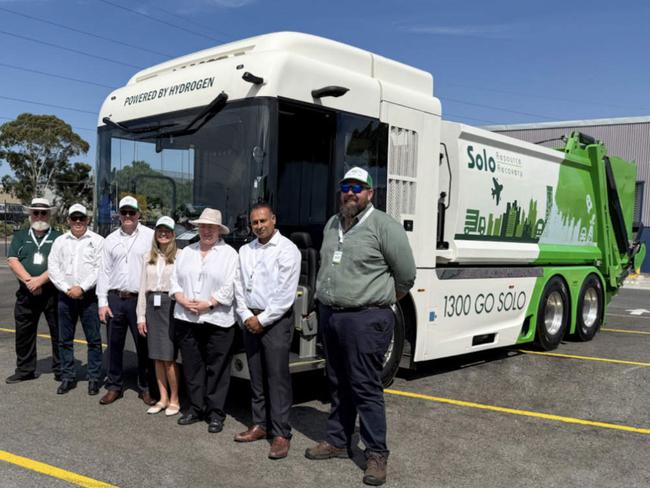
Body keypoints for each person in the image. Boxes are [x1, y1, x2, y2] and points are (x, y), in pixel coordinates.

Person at [305, 167, 416, 486]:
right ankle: (338, 441)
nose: (350, 192)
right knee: (338, 382)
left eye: (358, 187)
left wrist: (378, 301)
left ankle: (377, 454)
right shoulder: (332, 223)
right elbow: (327, 265)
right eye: (346, 186)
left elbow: (406, 274)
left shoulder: (384, 226)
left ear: (370, 193)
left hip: (367, 318)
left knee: (365, 385)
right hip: (332, 315)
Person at [234, 203, 301, 459]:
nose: (259, 226)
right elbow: (238, 285)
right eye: (254, 223)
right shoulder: (245, 250)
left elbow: (285, 295)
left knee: (277, 378)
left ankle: (281, 433)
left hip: (274, 321)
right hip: (250, 317)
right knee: (257, 376)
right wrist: (244, 314)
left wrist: (261, 319)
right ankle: (260, 425)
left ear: (273, 219)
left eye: (263, 221)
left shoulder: (287, 250)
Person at [170, 208, 238, 434]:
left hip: (217, 319)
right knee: (192, 366)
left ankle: (215, 413)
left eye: (211, 227)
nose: (207, 231)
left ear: (219, 230)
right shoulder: (186, 252)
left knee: (217, 368)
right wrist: (181, 299)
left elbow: (231, 286)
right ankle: (196, 408)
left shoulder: (230, 255)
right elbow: (175, 281)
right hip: (186, 317)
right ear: (198, 228)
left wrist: (209, 303)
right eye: (203, 226)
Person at [96, 195, 156, 406]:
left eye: (132, 212)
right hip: (115, 298)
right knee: (114, 345)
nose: (128, 216)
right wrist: (102, 302)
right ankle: (114, 386)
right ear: (118, 215)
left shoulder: (150, 236)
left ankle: (145, 387)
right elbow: (103, 272)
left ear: (139, 214)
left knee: (143, 345)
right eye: (124, 213)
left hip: (139, 299)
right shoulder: (110, 239)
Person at [48, 204, 104, 395]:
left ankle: (94, 378)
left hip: (89, 296)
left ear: (87, 219)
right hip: (65, 296)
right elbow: (53, 267)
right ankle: (68, 377)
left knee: (94, 340)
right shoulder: (60, 241)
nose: (78, 221)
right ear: (69, 220)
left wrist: (82, 287)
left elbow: (99, 269)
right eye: (74, 218)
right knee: (64, 340)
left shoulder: (98, 241)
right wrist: (67, 288)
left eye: (81, 218)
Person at [5, 197, 61, 384]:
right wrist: (30, 282)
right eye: (35, 212)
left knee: (58, 331)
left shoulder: (58, 237)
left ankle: (60, 369)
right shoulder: (21, 235)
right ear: (30, 214)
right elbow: (13, 260)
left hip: (52, 293)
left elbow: (61, 264)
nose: (39, 216)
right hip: (26, 292)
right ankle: (25, 369)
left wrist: (40, 281)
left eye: (43, 212)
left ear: (49, 215)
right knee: (24, 333)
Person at [136, 216, 181, 416]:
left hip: (170, 306)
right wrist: (140, 317)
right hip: (152, 307)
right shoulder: (148, 257)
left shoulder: (181, 256)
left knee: (168, 357)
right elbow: (142, 288)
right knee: (156, 357)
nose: (163, 234)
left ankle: (175, 399)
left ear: (173, 234)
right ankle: (162, 398)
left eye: (167, 231)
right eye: (160, 230)